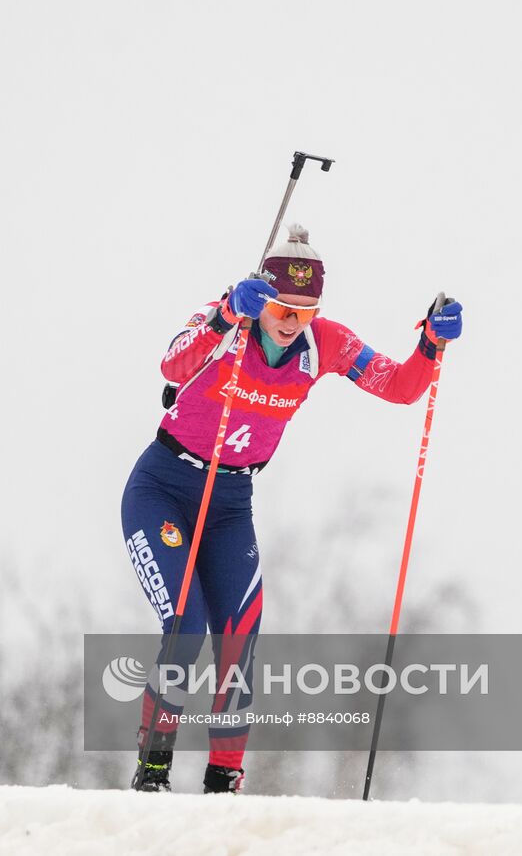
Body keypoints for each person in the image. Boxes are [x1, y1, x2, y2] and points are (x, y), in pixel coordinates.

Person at [122, 226, 463, 793]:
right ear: (264, 299)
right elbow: (173, 368)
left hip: (230, 501)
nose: (291, 320)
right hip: (165, 488)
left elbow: (400, 386)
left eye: (305, 310)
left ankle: (223, 778)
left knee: (239, 633)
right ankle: (154, 770)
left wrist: (430, 342)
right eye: (281, 306)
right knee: (186, 627)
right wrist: (229, 312)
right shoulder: (228, 319)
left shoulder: (324, 342)